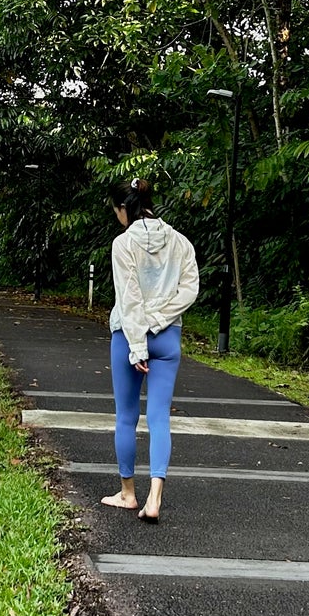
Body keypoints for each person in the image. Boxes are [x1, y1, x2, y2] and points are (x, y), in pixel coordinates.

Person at [101, 178, 200, 523]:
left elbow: (129, 299)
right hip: (169, 335)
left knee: (126, 417)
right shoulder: (180, 242)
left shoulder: (122, 245)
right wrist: (160, 320)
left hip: (129, 336)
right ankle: (155, 497)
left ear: (124, 209)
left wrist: (139, 343)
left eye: (116, 210)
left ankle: (129, 494)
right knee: (159, 417)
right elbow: (189, 290)